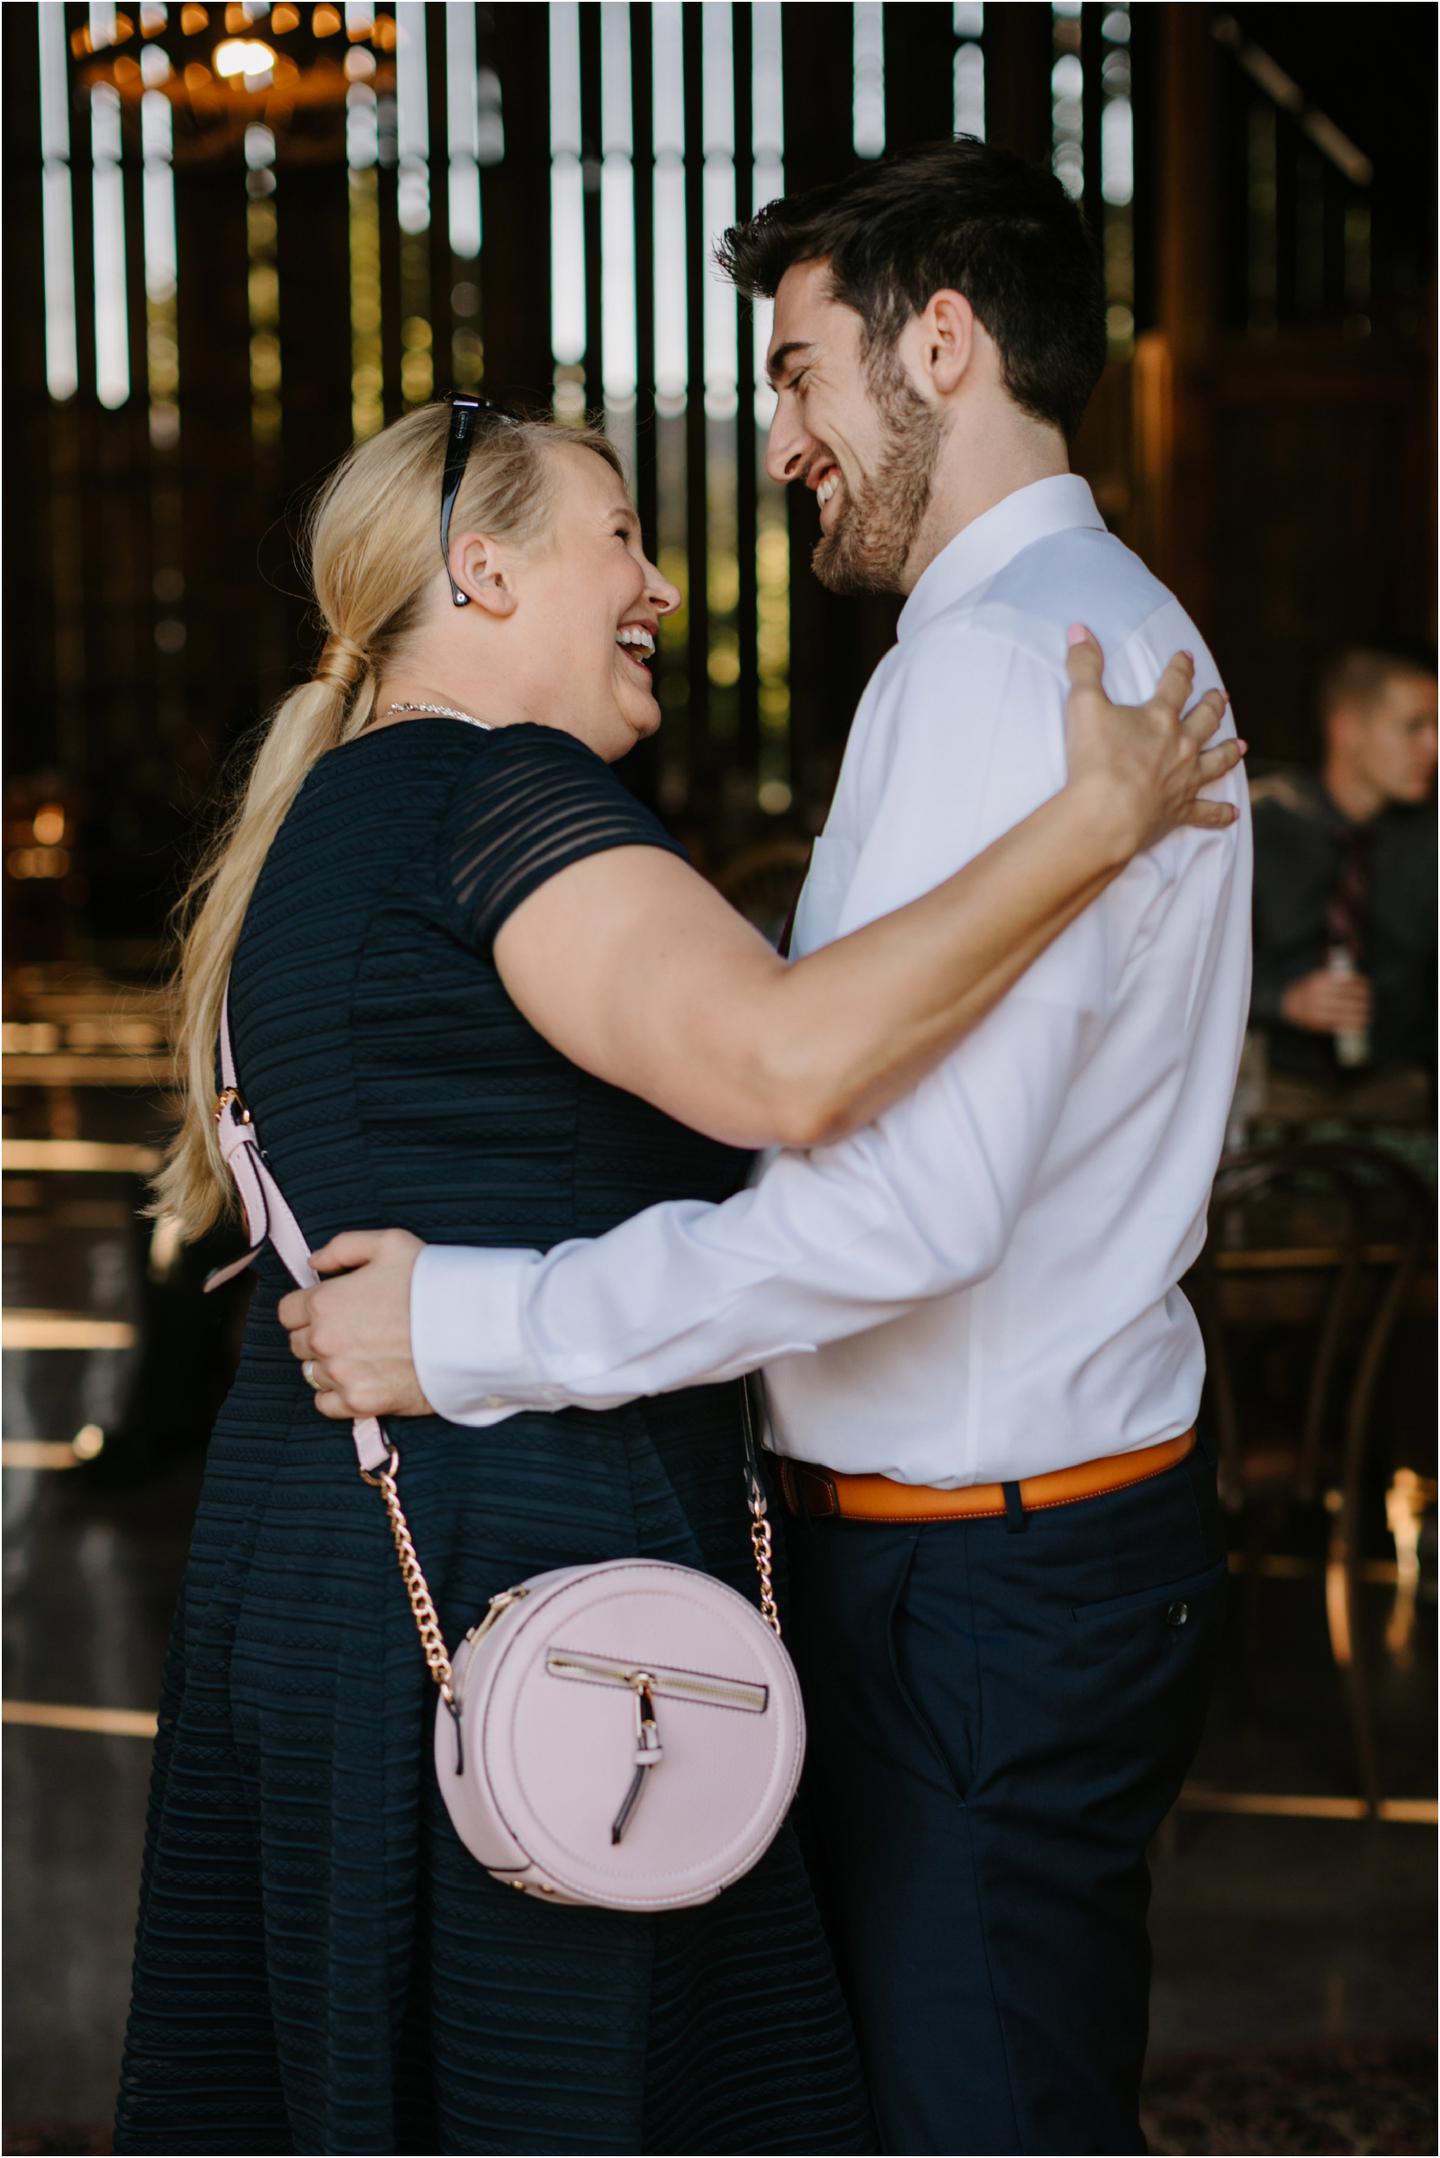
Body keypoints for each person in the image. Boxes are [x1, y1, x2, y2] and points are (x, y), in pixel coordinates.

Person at [113, 379, 1235, 2157]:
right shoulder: (498, 792)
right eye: (620, 535)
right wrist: (1091, 827)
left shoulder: (340, 814)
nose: (662, 585)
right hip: (525, 1573)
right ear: (479, 576)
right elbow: (784, 1065)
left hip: (340, 1554)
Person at [1250, 639, 1436, 1117]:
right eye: (1414, 726)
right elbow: (1187, 970)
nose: (1433, 746)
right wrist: (1284, 1000)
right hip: (1276, 1088)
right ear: (1347, 728)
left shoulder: (1428, 840)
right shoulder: (1259, 827)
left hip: (1402, 1094)